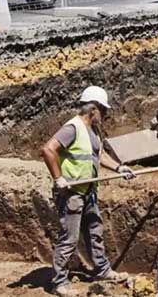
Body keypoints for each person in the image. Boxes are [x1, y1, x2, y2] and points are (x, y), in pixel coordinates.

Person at [40, 86, 134, 296]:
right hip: (71, 193)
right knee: (70, 238)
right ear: (93, 109)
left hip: (88, 191)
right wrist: (59, 179)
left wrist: (119, 168)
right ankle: (60, 283)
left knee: (94, 232)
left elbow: (99, 156)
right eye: (103, 110)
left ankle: (102, 270)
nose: (105, 115)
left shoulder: (93, 131)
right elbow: (48, 150)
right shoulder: (72, 128)